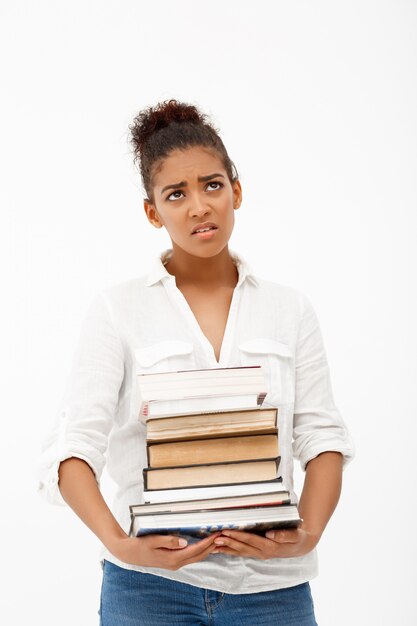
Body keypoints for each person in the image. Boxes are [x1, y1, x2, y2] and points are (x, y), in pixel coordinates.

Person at [38, 99, 354, 625]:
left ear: (237, 188)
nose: (199, 206)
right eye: (176, 194)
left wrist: (310, 533)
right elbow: (74, 448)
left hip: (273, 590)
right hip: (149, 588)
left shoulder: (289, 308)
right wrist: (119, 543)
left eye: (212, 185)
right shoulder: (119, 309)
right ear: (152, 211)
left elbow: (321, 435)